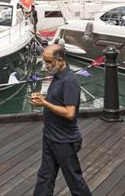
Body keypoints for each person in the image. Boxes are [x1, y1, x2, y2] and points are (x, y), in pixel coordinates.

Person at [30, 44, 92, 196]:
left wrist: (44, 103)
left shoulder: (69, 81)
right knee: (45, 176)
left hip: (64, 140)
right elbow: (58, 102)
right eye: (45, 61)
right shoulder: (57, 77)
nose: (47, 66)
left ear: (61, 60)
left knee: (74, 180)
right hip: (50, 136)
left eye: (49, 62)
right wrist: (43, 99)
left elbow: (70, 113)